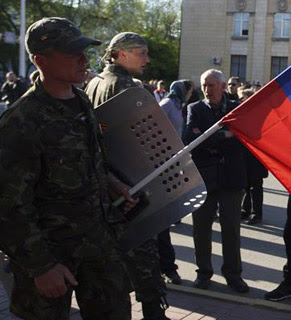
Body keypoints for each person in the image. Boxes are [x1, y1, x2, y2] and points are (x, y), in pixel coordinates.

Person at [0, 17, 134, 319]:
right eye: (72, 52)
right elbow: (9, 205)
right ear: (41, 61)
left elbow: (87, 159)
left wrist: (111, 183)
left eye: (83, 50)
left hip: (98, 248)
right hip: (51, 255)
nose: (83, 59)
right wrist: (41, 266)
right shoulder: (21, 120)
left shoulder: (81, 100)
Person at [85, 31, 172, 320]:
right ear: (122, 54)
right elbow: (151, 144)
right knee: (146, 271)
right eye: (142, 52)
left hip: (105, 189)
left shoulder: (94, 83)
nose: (147, 59)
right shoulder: (131, 88)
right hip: (135, 193)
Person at [183, 69, 249, 293]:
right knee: (201, 229)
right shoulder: (195, 108)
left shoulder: (236, 109)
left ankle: (234, 275)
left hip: (231, 177)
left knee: (231, 229)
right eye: (203, 85)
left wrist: (210, 139)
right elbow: (190, 139)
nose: (206, 90)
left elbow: (242, 139)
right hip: (203, 177)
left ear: (222, 87)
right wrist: (224, 137)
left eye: (211, 85)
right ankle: (203, 273)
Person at [237, 88, 269, 225]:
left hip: (255, 156)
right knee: (245, 185)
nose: (240, 101)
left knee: (255, 186)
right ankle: (245, 209)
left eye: (242, 98)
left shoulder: (258, 115)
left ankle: (256, 213)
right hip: (244, 155)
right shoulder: (241, 114)